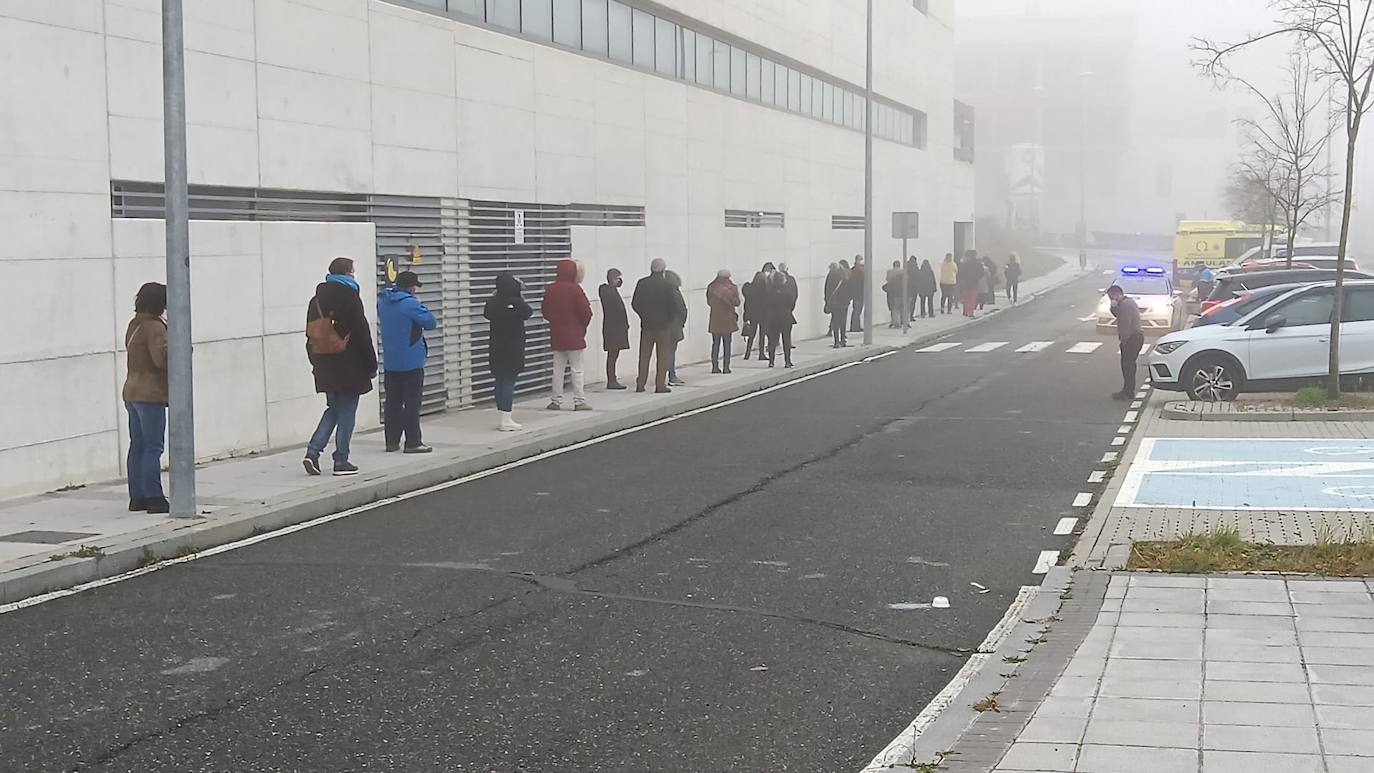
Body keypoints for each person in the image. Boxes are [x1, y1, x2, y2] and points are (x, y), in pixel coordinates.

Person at [304, 257, 378, 477]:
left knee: (334, 409)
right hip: (350, 365)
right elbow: (362, 335)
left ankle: (313, 452)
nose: (354, 275)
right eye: (353, 271)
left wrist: (315, 362)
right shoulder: (351, 298)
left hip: (325, 364)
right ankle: (341, 460)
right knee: (347, 413)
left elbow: (311, 335)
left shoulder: (315, 301)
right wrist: (371, 365)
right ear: (347, 273)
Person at [377, 270, 437, 454]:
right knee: (412, 403)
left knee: (392, 402)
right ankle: (413, 442)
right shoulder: (411, 304)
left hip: (391, 362)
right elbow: (430, 323)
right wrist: (421, 305)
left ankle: (391, 441)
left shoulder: (383, 302)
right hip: (411, 361)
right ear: (411, 287)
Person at [123, 282, 170, 514]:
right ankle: (154, 497)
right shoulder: (155, 327)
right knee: (153, 447)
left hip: (131, 391)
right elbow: (161, 359)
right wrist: (180, 347)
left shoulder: (135, 324)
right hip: (150, 394)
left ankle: (137, 497)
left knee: (138, 446)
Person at [542, 259, 594, 411]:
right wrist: (581, 326)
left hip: (557, 334)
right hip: (575, 336)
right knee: (577, 369)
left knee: (557, 370)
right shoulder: (575, 290)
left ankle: (555, 401)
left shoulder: (551, 289)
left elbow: (545, 311)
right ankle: (579, 401)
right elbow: (586, 313)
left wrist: (556, 322)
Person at [484, 272, 533, 431]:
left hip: (496, 347)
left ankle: (502, 415)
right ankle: (506, 418)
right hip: (512, 348)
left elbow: (487, 314)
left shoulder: (492, 302)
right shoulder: (517, 302)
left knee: (500, 380)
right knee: (508, 381)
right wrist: (518, 291)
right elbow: (528, 312)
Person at [632, 258, 675, 393]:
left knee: (644, 355)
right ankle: (660, 384)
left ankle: (640, 383)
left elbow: (635, 303)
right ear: (663, 270)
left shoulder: (642, 283)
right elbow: (672, 306)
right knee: (662, 356)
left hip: (647, 325)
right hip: (663, 326)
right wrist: (668, 319)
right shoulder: (668, 285)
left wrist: (643, 315)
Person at [1108, 285, 1145, 401]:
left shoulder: (1126, 305)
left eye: (1112, 297)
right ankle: (1127, 390)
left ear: (1117, 294)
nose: (1111, 299)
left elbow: (1125, 324)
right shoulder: (1126, 303)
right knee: (1127, 366)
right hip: (1134, 338)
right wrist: (1113, 307)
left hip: (1132, 339)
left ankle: (1128, 392)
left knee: (1128, 366)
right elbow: (1118, 315)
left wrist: (1124, 341)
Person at [599, 269, 630, 390]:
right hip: (613, 328)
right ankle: (611, 380)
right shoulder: (609, 291)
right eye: (618, 279)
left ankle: (612, 379)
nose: (620, 281)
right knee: (612, 355)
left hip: (614, 327)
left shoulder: (611, 291)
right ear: (613, 279)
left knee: (613, 355)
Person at [706, 269, 740, 374]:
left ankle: (714, 366)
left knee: (715, 344)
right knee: (727, 344)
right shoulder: (732, 288)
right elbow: (737, 302)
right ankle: (726, 367)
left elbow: (709, 302)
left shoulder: (711, 287)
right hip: (727, 319)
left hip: (715, 318)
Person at [765, 270, 798, 368]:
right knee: (786, 340)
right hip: (785, 316)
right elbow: (791, 303)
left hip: (773, 317)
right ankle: (787, 361)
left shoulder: (769, 291)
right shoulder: (787, 291)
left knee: (772, 340)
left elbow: (766, 304)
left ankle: (771, 361)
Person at [665, 270, 689, 386]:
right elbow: (683, 310)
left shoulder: (661, 291)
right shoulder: (675, 293)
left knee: (663, 352)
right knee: (671, 352)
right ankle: (672, 376)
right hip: (674, 326)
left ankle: (661, 376)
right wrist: (681, 323)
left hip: (660, 326)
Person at [741, 267, 771, 360]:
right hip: (763, 314)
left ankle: (747, 353)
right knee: (762, 335)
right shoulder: (766, 290)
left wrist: (745, 317)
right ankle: (761, 353)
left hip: (753, 315)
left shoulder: (750, 289)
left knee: (751, 335)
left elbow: (746, 304)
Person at [825, 262, 851, 347]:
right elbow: (850, 289)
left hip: (834, 302)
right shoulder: (845, 275)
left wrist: (827, 301)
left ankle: (836, 341)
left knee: (835, 322)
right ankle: (843, 340)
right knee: (843, 322)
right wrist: (848, 300)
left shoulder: (830, 276)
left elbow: (827, 290)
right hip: (844, 302)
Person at [957, 251, 982, 318]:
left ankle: (965, 311)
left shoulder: (965, 263)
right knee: (972, 298)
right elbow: (981, 272)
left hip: (966, 283)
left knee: (966, 298)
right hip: (974, 283)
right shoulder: (978, 263)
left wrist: (962, 279)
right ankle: (970, 312)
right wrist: (977, 277)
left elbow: (961, 272)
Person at [848, 255, 866, 333]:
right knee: (857, 310)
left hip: (856, 293)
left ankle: (856, 326)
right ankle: (855, 327)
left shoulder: (853, 270)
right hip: (859, 293)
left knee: (857, 310)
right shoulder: (859, 271)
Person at [884, 260, 904, 328]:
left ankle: (893, 321)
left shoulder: (889, 272)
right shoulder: (903, 272)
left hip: (891, 291)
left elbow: (887, 279)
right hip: (901, 291)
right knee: (900, 307)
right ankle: (899, 322)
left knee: (893, 307)